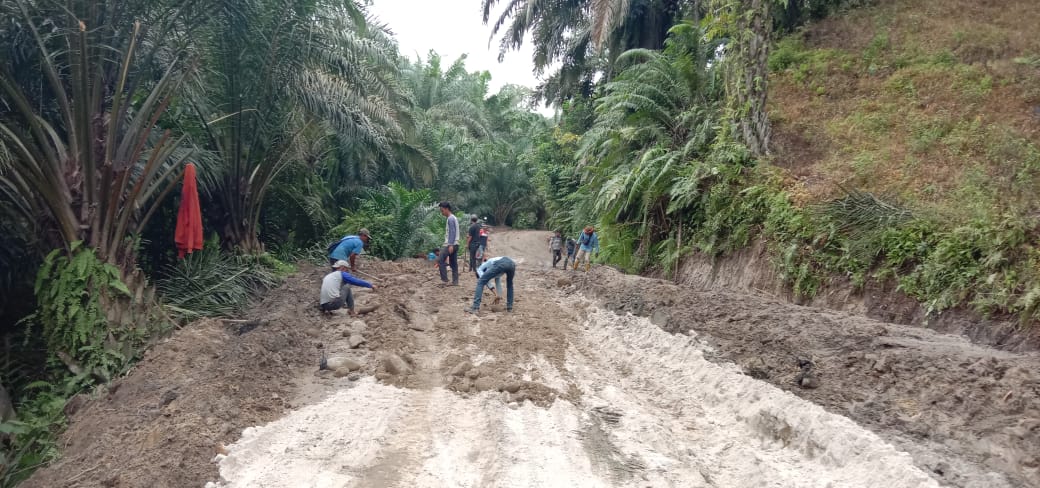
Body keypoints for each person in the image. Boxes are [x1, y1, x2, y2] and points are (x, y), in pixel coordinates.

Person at [437, 201, 459, 286]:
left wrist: (450, 244)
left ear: (447, 209)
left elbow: (452, 232)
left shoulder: (450, 218)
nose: (442, 213)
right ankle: (455, 281)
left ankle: (445, 279)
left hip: (450, 244)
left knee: (440, 259)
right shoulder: (454, 218)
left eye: (442, 210)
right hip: (456, 243)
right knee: (453, 263)